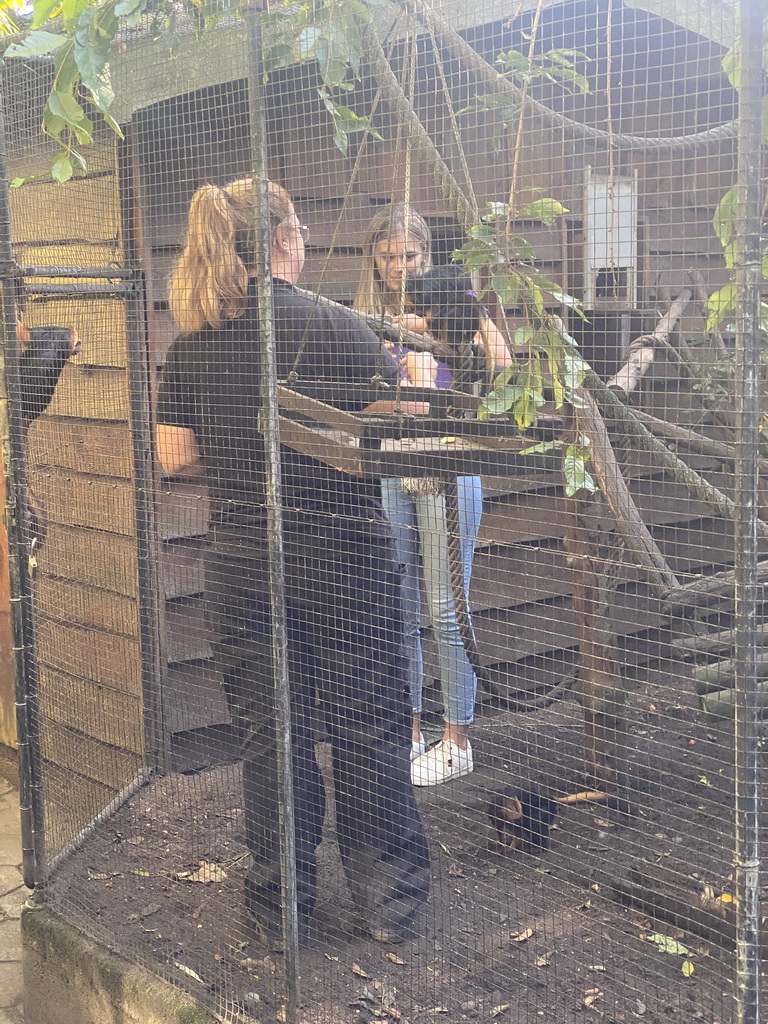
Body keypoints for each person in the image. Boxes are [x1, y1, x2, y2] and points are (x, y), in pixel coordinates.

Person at [156, 179, 430, 946]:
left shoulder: (194, 340)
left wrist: (248, 468)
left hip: (244, 558)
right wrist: (408, 380)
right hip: (343, 554)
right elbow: (394, 428)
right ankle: (389, 906)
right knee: (369, 726)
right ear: (281, 241)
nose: (306, 241)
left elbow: (174, 459)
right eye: (301, 230)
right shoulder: (344, 329)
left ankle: (281, 910)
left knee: (271, 735)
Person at [355, 204, 512, 787]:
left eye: (409, 256)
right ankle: (411, 728)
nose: (399, 267)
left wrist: (460, 323)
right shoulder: (365, 317)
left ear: (426, 255)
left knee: (447, 607)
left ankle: (457, 740)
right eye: (388, 256)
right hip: (393, 464)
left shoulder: (448, 300)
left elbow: (502, 361)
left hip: (449, 463)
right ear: (374, 260)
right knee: (398, 604)